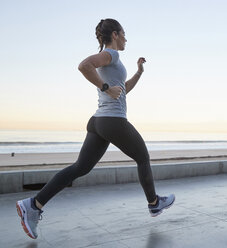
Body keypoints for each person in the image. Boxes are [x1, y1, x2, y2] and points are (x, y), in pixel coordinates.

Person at [16, 18, 175, 239]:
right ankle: (154, 203)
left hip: (98, 122)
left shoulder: (113, 62)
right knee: (143, 157)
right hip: (112, 120)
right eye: (124, 33)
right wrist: (105, 87)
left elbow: (123, 89)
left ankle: (33, 205)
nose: (127, 38)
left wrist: (138, 72)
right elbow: (84, 66)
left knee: (80, 168)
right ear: (116, 34)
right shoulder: (112, 54)